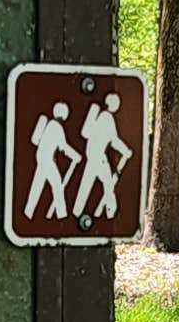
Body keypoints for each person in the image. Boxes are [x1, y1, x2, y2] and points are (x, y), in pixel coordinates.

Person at [72, 92, 133, 223]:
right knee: (108, 183)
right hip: (99, 156)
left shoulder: (100, 116)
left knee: (87, 183)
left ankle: (77, 211)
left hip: (92, 154)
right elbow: (113, 140)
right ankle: (111, 214)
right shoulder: (107, 118)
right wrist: (125, 151)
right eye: (116, 103)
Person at [24, 101, 78, 220]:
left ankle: (28, 212)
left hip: (41, 157)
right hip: (47, 159)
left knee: (37, 185)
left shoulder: (50, 124)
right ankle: (62, 215)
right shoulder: (57, 127)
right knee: (57, 185)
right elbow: (63, 146)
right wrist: (76, 156)